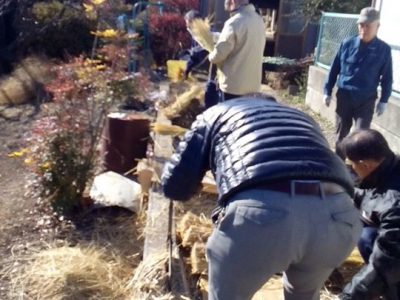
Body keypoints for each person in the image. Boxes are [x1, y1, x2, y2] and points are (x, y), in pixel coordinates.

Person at [161, 95, 362, 300]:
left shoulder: (214, 114)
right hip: (339, 215)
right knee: (303, 294)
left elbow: (174, 186)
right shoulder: (302, 118)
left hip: (263, 216)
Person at [323, 7, 393, 158]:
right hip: (345, 97)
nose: (364, 28)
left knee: (361, 137)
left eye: (368, 25)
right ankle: (339, 165)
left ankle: (356, 169)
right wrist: (327, 91)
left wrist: (384, 100)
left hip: (366, 100)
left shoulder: (383, 50)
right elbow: (334, 69)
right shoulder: (347, 44)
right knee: (341, 134)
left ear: (377, 26)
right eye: (361, 24)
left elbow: (387, 77)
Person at [339, 129, 400, 300]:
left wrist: (348, 296)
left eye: (351, 165)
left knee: (370, 241)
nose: (351, 169)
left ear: (364, 165)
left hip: (395, 255)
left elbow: (385, 263)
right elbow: (371, 193)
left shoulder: (394, 203)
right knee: (367, 234)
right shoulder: (389, 166)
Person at [208, 0, 266, 101]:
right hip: (253, 86)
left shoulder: (234, 22)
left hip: (234, 87)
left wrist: (210, 56)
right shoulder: (259, 20)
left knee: (229, 116)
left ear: (232, 1)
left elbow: (219, 55)